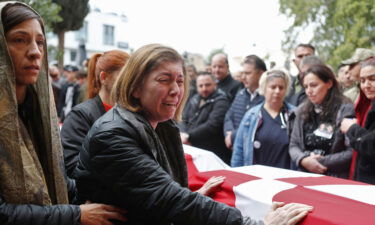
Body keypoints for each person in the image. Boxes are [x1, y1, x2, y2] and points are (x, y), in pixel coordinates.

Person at [73, 44, 312, 225]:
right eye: (164, 80)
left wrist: (188, 194)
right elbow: (169, 198)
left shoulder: (162, 125)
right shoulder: (113, 135)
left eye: (180, 80)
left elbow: (166, 194)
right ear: (135, 87)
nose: (176, 90)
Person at [0, 2, 126, 224]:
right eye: (20, 40)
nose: (35, 52)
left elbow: (59, 181)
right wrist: (76, 215)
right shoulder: (82, 114)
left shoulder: (36, 114)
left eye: (40, 42)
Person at [61, 50, 130, 178]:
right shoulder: (81, 116)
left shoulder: (131, 114)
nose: (130, 83)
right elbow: (71, 165)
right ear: (104, 77)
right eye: (124, 76)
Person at [289, 64, 354, 178]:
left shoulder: (346, 109)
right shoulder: (301, 110)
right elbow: (293, 145)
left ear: (329, 83)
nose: (309, 91)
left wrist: (321, 162)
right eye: (306, 86)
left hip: (336, 178)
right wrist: (303, 160)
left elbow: (351, 151)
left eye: (313, 85)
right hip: (305, 175)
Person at [232, 70, 295, 169]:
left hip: (286, 177)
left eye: (281, 87)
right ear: (264, 89)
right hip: (257, 177)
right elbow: (239, 150)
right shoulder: (251, 116)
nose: (277, 91)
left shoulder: (294, 115)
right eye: (273, 87)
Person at [179, 72, 231, 164]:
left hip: (212, 152)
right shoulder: (194, 99)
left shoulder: (222, 101)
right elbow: (183, 118)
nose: (204, 88)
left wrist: (189, 136)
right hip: (192, 147)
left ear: (215, 84)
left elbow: (212, 125)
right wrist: (183, 134)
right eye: (201, 86)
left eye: (207, 85)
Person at [341, 58, 375, 184]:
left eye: (372, 79)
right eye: (362, 80)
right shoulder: (366, 104)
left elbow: (372, 146)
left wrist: (352, 128)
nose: (366, 85)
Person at [224, 55, 266, 150]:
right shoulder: (241, 94)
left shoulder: (267, 98)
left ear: (261, 74)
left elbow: (256, 126)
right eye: (242, 73)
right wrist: (228, 132)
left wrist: (233, 136)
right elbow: (229, 116)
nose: (243, 77)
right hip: (236, 149)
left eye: (247, 73)